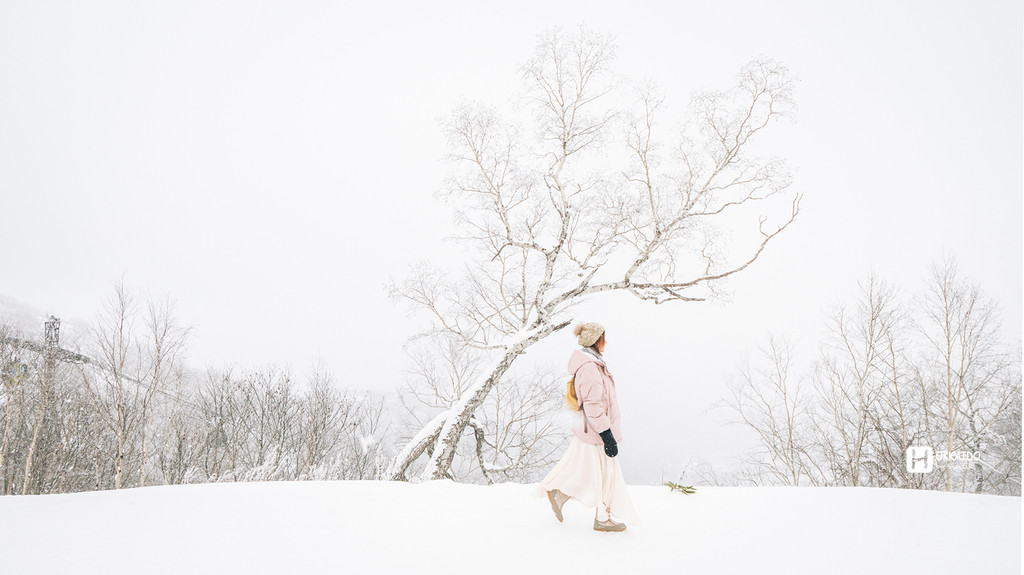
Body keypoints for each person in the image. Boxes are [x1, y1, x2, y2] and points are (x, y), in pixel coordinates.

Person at [537, 321, 641, 532]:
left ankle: (561, 494)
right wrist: (607, 434)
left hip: (593, 429)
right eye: (603, 337)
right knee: (605, 475)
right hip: (597, 431)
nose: (606, 342)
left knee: (588, 471)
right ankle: (602, 519)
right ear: (595, 340)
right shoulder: (590, 368)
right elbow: (593, 405)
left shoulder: (593, 365)